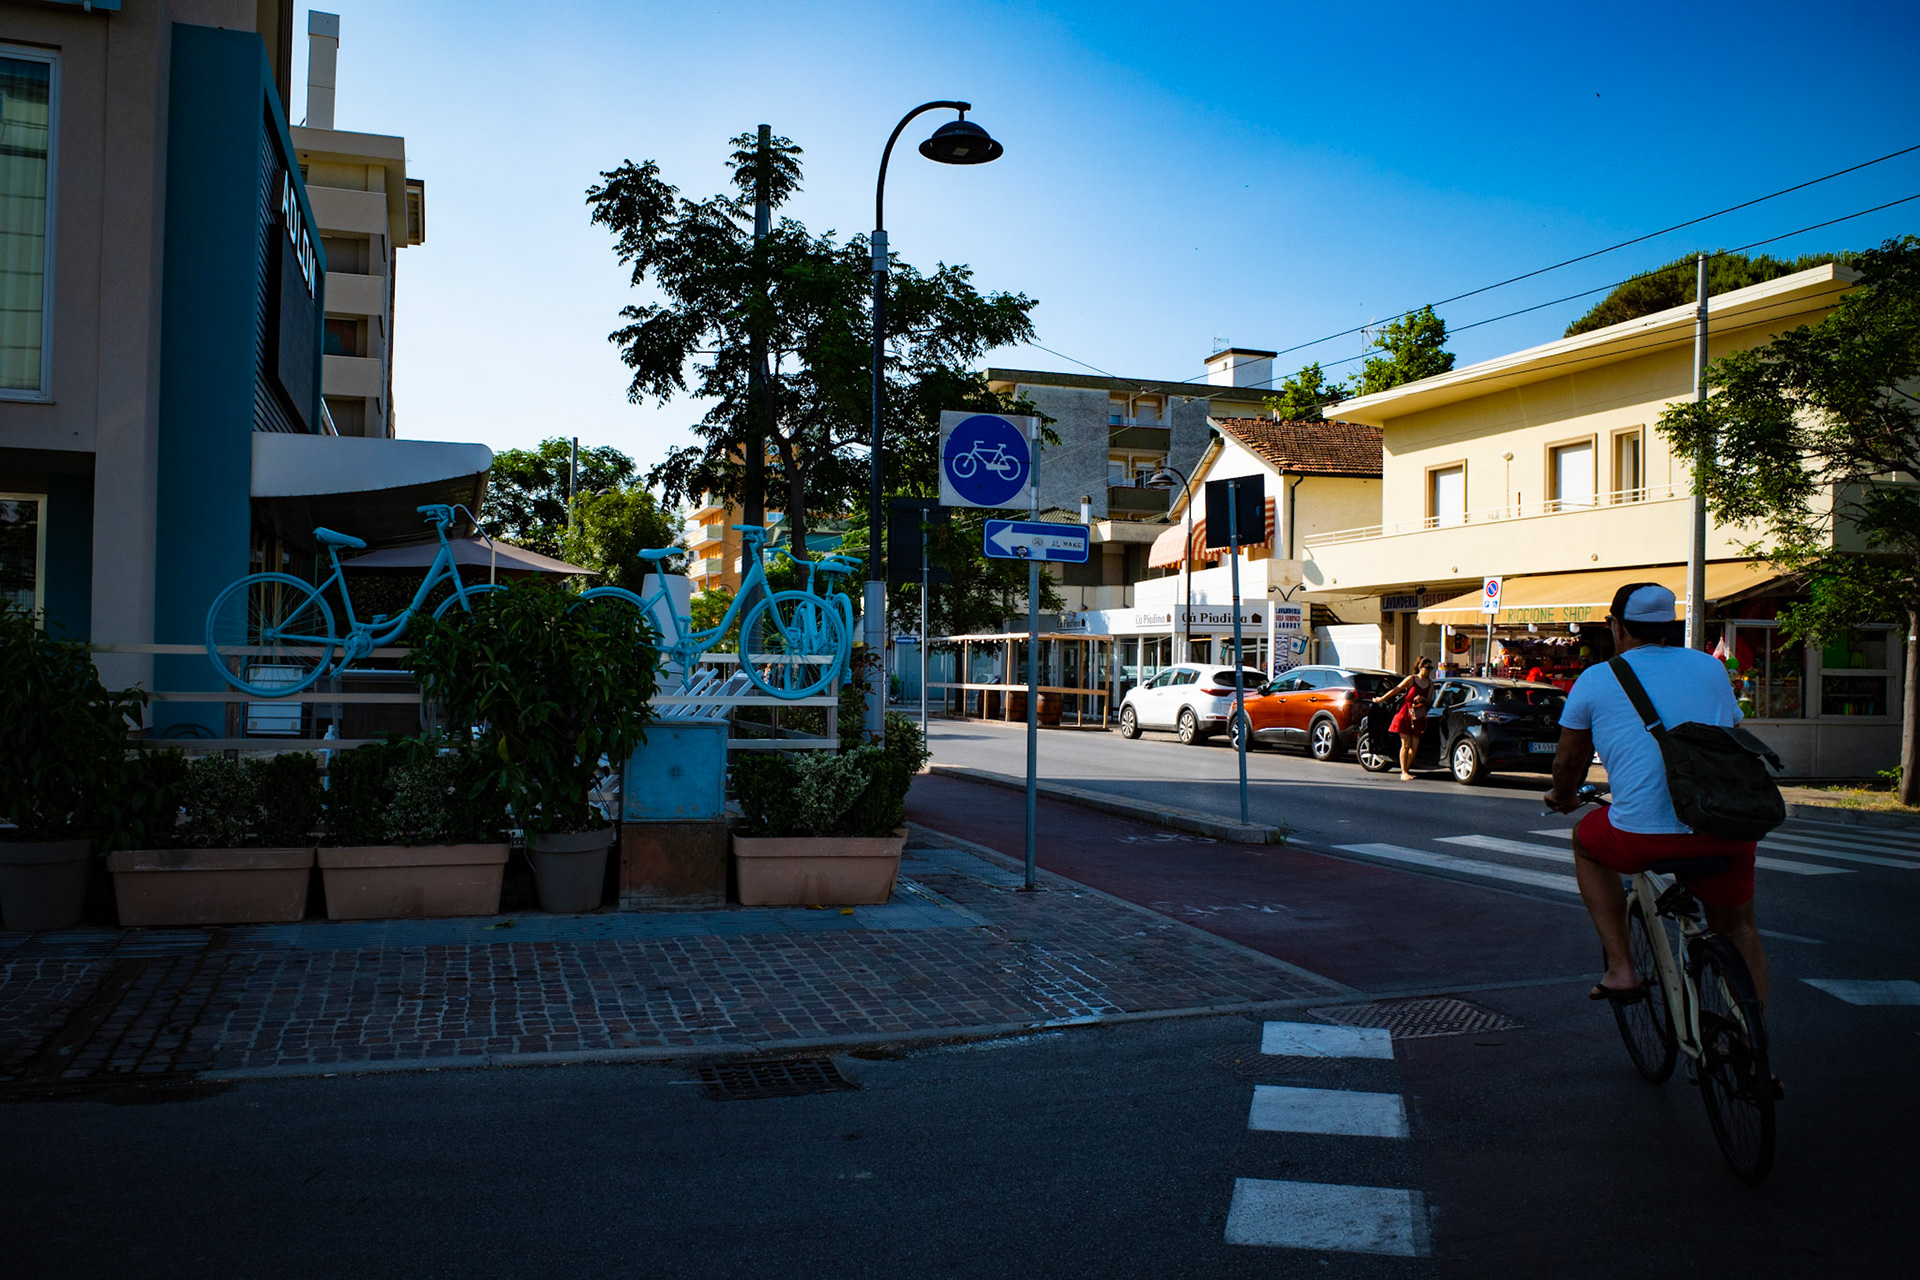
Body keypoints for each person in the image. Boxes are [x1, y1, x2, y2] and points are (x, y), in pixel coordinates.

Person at [1543, 583, 1769, 1015]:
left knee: (1585, 843)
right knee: (1739, 928)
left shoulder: (1596, 679)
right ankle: (1751, 1041)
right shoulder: (1710, 669)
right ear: (1669, 625)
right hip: (1725, 827)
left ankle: (1621, 969)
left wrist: (1563, 795)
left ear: (1616, 626)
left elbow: (1568, 760)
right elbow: (1731, 730)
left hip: (1642, 837)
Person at [1383, 656, 1435, 781]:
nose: (1429, 670)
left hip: (1418, 715)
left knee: (1415, 746)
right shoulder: (1412, 679)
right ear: (1420, 667)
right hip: (1405, 713)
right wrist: (1382, 698)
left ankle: (1405, 767)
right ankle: (1404, 772)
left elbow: (1429, 701)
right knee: (1405, 744)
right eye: (1427, 668)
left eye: (1431, 668)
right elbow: (1396, 689)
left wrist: (1423, 700)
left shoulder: (1430, 683)